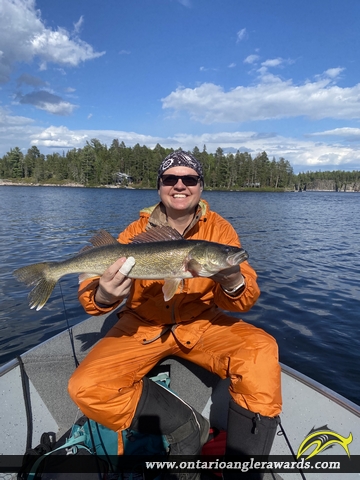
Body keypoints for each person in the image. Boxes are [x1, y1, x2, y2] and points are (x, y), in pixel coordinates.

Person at [68, 150, 282, 479]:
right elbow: (91, 301)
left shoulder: (221, 232)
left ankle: (244, 471)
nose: (180, 185)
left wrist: (235, 281)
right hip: (142, 326)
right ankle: (186, 424)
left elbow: (243, 300)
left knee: (261, 349)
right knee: (86, 386)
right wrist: (104, 294)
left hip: (201, 324)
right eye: (171, 179)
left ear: (200, 187)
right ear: (159, 187)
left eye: (190, 179)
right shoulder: (134, 233)